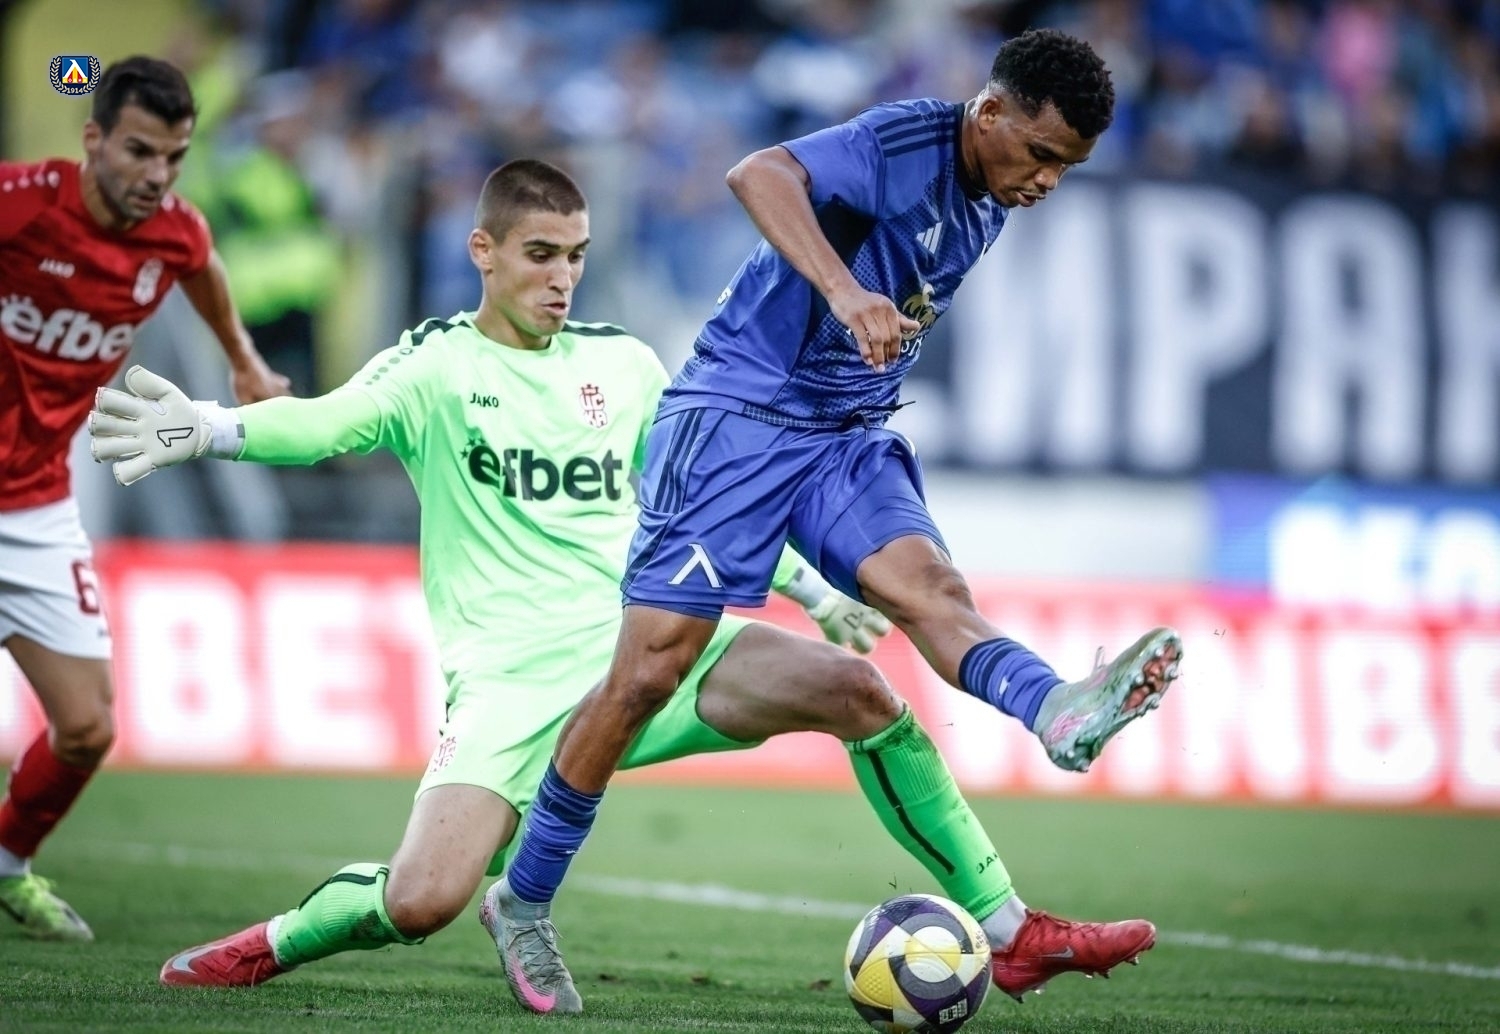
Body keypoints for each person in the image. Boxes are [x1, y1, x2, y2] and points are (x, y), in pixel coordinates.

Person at [91, 159, 1155, 1009]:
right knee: (419, 901)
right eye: (540, 255)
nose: (562, 278)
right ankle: (271, 942)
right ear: (483, 252)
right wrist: (214, 428)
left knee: (861, 692)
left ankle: (1010, 928)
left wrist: (810, 589)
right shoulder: (435, 368)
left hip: (650, 650)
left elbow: (705, 503)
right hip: (514, 687)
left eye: (576, 256)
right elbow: (325, 423)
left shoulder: (629, 366)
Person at [492, 27, 1185, 1011]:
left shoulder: (990, 196)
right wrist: (847, 290)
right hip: (737, 417)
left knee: (934, 592)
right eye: (1039, 154)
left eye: (1066, 168)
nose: (1046, 181)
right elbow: (758, 173)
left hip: (842, 435)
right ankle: (522, 898)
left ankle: (1057, 712)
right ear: (990, 113)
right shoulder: (907, 141)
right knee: (647, 673)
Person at [0, 55, 289, 941]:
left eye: (174, 156)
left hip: (36, 506)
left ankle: (7, 863)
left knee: (87, 729)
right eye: (138, 151)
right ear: (93, 140)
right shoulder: (20, 205)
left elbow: (203, 268)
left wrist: (243, 359)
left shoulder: (174, 233)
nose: (157, 175)